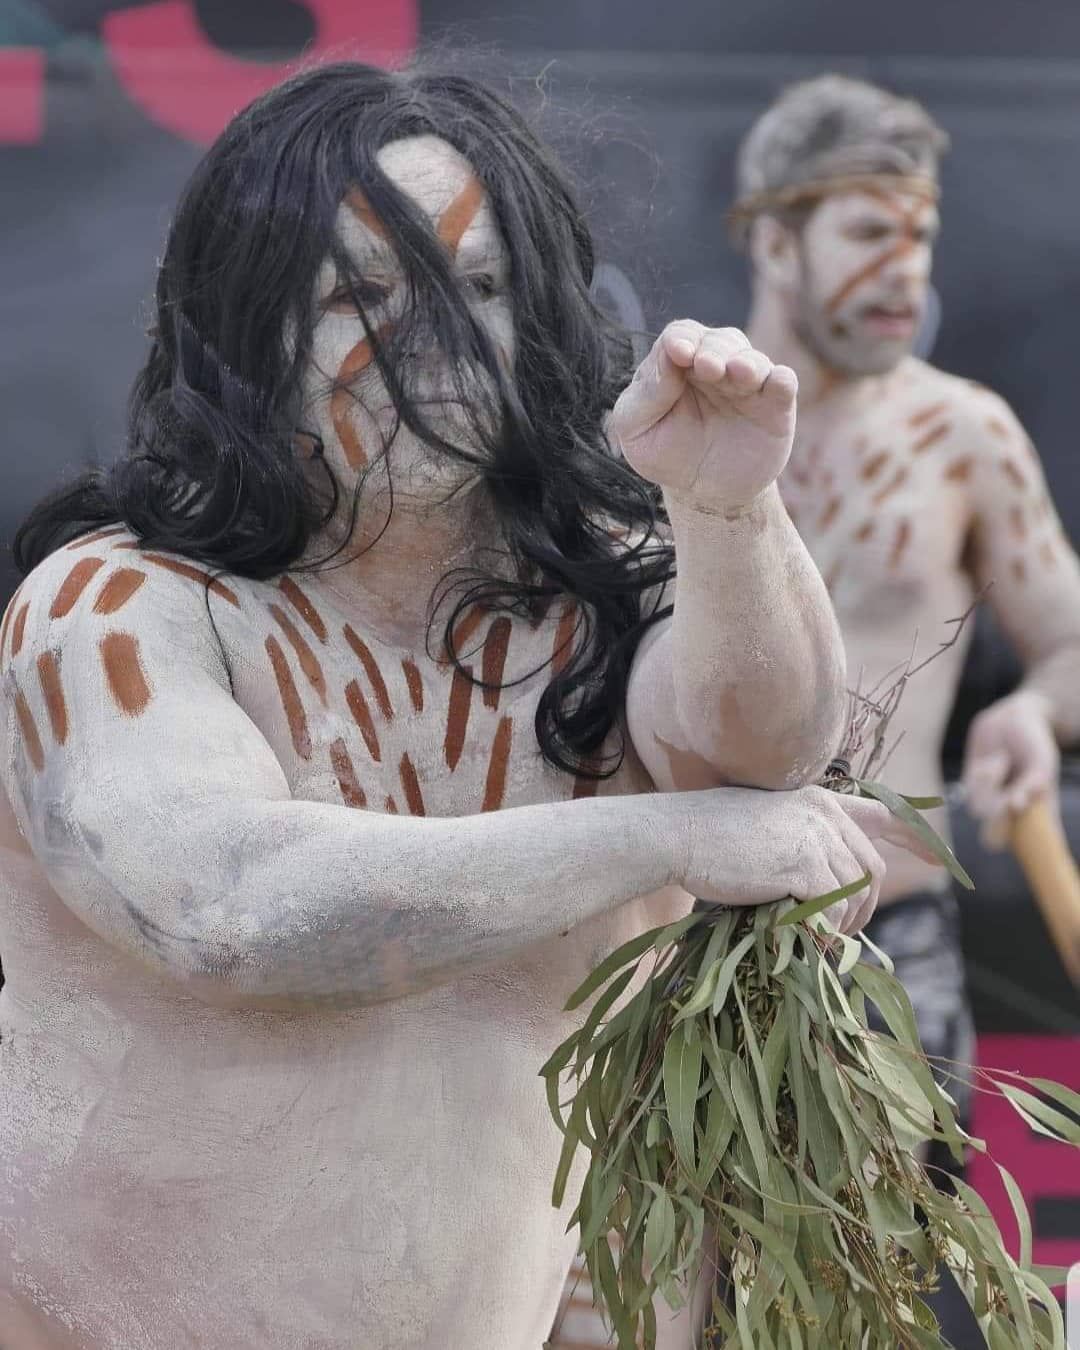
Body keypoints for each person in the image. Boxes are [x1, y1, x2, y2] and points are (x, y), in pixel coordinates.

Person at [0, 63, 931, 1350]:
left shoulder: (594, 597)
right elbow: (213, 902)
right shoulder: (114, 604)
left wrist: (725, 512)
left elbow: (764, 751)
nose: (430, 343)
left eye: (479, 288)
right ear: (247, 322)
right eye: (357, 295)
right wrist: (665, 838)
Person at [731, 70, 1080, 1335]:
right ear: (774, 235)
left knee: (877, 1299)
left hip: (898, 949)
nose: (904, 266)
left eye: (920, 233)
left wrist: (1032, 714)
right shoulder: (667, 427)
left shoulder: (961, 435)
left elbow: (1071, 644)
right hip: (682, 933)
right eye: (869, 230)